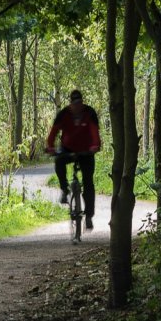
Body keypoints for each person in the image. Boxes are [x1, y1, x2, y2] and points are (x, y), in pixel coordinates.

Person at [46, 89, 101, 230]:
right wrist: (50, 147)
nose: (77, 106)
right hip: (68, 148)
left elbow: (95, 132)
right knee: (59, 161)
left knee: (88, 183)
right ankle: (64, 189)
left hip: (86, 150)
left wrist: (95, 145)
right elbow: (53, 133)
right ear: (70, 103)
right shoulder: (64, 114)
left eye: (79, 103)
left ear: (82, 103)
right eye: (74, 103)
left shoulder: (89, 113)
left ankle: (88, 216)